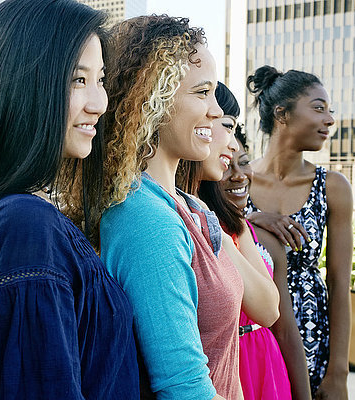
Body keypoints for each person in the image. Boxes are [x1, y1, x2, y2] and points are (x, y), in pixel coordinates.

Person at [0, 1, 139, 398]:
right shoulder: (23, 227)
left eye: (100, 80)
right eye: (78, 80)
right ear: (26, 84)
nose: (99, 103)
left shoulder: (23, 215)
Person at [97, 16, 278, 400]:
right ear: (153, 100)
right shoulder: (146, 220)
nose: (216, 112)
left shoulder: (187, 205)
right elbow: (183, 386)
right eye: (202, 93)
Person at [194, 82, 311, 400]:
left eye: (243, 161)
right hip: (220, 369)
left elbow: (275, 315)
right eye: (225, 129)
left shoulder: (239, 226)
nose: (236, 169)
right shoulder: (183, 217)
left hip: (262, 360)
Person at [246, 65, 353, 399]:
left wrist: (338, 372)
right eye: (318, 108)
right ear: (282, 114)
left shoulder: (332, 187)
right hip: (256, 339)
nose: (330, 120)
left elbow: (339, 284)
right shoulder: (236, 181)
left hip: (312, 343)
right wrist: (251, 220)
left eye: (329, 111)